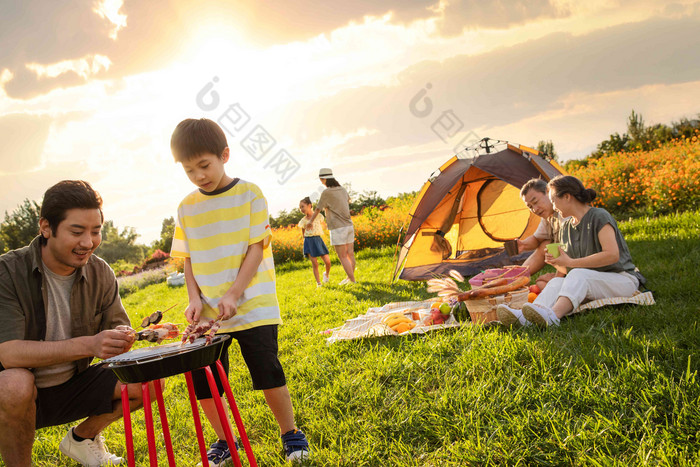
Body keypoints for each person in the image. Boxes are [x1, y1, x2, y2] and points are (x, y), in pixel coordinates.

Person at [169, 118, 309, 465]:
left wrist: (232, 294)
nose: (199, 175)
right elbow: (187, 260)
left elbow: (256, 249)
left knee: (266, 370)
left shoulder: (250, 194)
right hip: (208, 312)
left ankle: (290, 434)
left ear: (224, 155)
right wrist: (193, 300)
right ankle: (225, 441)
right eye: (190, 170)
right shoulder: (186, 207)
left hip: (252, 303)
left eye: (205, 165)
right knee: (205, 380)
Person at [0, 180, 144, 467]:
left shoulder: (101, 272)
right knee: (15, 382)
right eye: (77, 232)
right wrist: (90, 344)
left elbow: (119, 333)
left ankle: (82, 438)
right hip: (13, 395)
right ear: (45, 227)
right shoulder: (8, 272)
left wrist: (124, 337)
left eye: (96, 231)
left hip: (71, 386)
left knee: (146, 379)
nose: (88, 242)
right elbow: (9, 353)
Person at [498, 175, 645, 328]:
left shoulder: (599, 216)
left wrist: (571, 263)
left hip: (621, 279)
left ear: (567, 197)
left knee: (578, 273)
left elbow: (612, 255)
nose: (553, 207)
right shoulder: (566, 226)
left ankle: (553, 316)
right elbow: (566, 269)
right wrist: (557, 263)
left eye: (554, 201)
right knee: (556, 282)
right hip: (592, 280)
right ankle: (526, 317)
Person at [306, 168, 356, 284]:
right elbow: (346, 202)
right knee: (350, 254)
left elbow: (318, 209)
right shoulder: (343, 190)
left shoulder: (326, 192)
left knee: (342, 256)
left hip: (338, 227)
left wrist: (310, 222)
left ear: (323, 179)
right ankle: (350, 279)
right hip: (349, 225)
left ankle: (352, 281)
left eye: (320, 179)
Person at [516, 178, 566, 291]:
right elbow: (536, 239)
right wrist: (523, 245)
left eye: (535, 202)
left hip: (582, 265)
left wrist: (557, 278)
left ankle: (561, 284)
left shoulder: (565, 212)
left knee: (543, 283)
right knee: (546, 244)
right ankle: (517, 278)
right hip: (567, 265)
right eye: (530, 207)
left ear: (548, 192)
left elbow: (573, 251)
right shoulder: (548, 218)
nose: (535, 209)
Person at [297, 197, 331, 287]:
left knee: (328, 262)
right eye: (300, 207)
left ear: (309, 205)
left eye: (303, 206)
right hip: (309, 241)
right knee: (315, 263)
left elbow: (325, 226)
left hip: (318, 240)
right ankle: (318, 283)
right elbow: (303, 233)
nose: (301, 209)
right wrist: (306, 243)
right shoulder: (303, 221)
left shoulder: (319, 216)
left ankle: (326, 274)